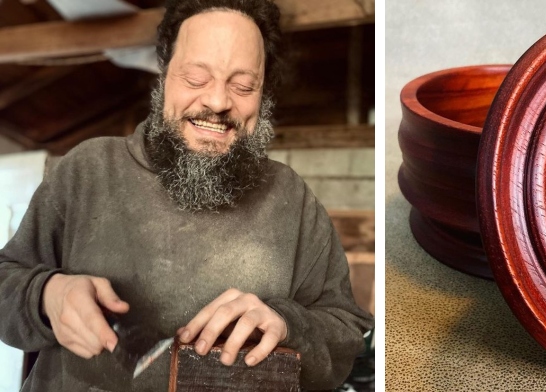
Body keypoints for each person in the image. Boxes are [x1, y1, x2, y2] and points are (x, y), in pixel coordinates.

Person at [0, 0, 374, 390]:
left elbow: (347, 333)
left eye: (243, 85)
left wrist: (289, 324)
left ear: (263, 94)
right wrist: (44, 296)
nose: (217, 101)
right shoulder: (87, 168)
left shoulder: (293, 199)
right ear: (164, 77)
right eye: (196, 78)